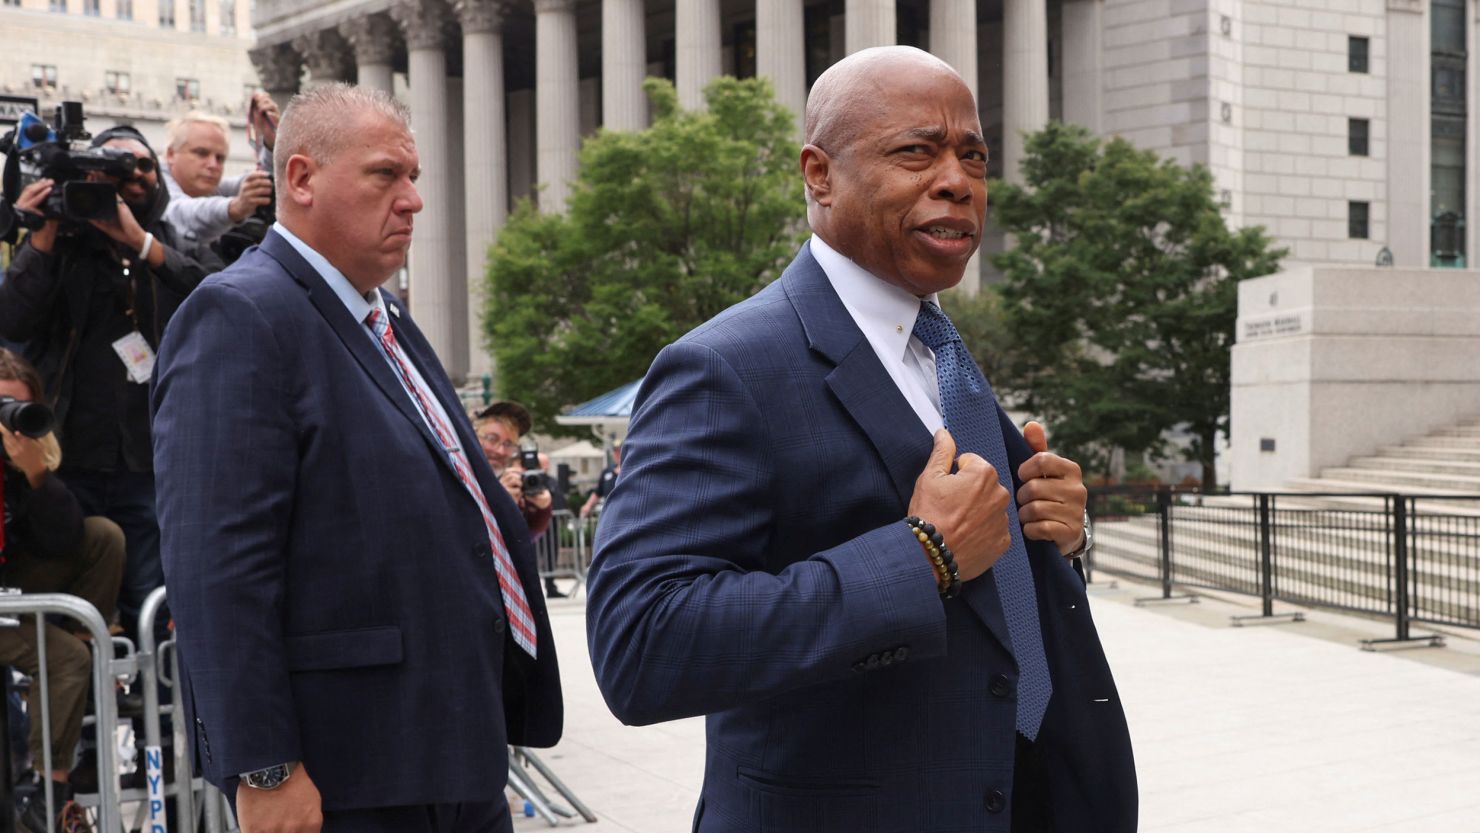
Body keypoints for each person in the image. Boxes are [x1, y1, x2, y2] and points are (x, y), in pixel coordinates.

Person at [585, 46, 1136, 833]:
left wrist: (1051, 532)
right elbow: (643, 644)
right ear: (819, 174)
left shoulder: (940, 347)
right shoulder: (723, 366)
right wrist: (922, 555)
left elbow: (993, 597)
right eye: (917, 150)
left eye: (973, 154)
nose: (957, 178)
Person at [152, 83, 561, 833]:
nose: (413, 200)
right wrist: (265, 766)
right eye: (385, 175)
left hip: (451, 753)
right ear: (301, 179)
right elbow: (218, 566)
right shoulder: (239, 316)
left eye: (414, 178)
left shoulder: (385, 314)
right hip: (347, 774)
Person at [0, 125, 218, 648]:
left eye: (143, 166)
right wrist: (44, 234)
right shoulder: (61, 249)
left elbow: (214, 298)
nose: (134, 176)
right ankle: (90, 723)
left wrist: (139, 244)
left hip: (146, 462)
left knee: (151, 598)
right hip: (68, 458)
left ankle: (155, 722)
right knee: (74, 603)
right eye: (118, 167)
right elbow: (13, 322)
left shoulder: (163, 245)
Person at [0, 348, 124, 833]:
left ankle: (85, 665)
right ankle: (46, 793)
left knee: (103, 536)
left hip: (15, 587)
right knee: (66, 659)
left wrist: (34, 474)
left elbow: (66, 540)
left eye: (17, 409)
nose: (9, 421)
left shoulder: (30, 452)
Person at [474, 401, 565, 598]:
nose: (499, 450)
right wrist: (499, 500)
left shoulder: (511, 482)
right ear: (473, 435)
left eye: (508, 444)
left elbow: (527, 535)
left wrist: (541, 509)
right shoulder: (455, 475)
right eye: (491, 438)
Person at [160, 110, 273, 256]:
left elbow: (261, 180)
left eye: (220, 158)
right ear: (171, 154)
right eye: (201, 153)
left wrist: (270, 143)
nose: (213, 164)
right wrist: (235, 208)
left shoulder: (205, 187)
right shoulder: (154, 182)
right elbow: (179, 212)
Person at [577, 440, 619, 519]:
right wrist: (588, 505)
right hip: (609, 514)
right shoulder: (607, 471)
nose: (617, 454)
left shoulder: (630, 471)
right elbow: (598, 492)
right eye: (615, 452)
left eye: (620, 451)